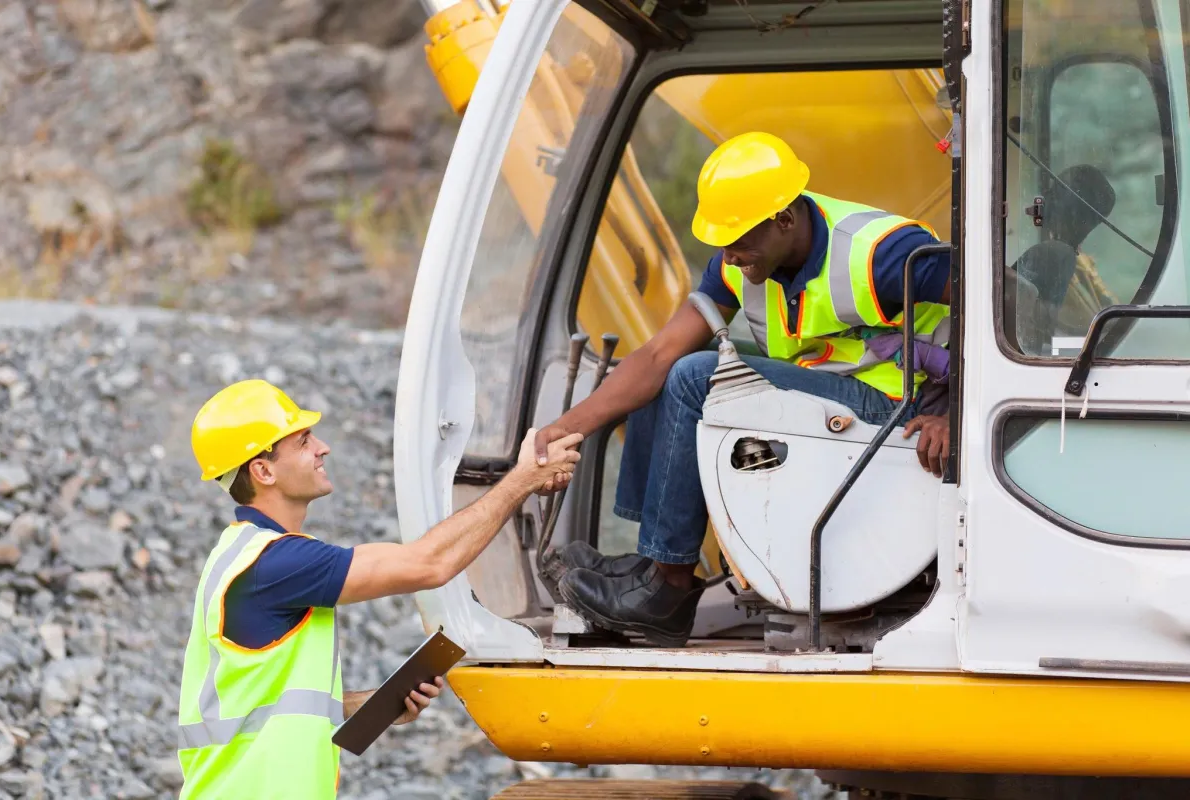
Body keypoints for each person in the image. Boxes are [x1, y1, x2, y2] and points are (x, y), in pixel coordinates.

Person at [534, 132, 952, 648]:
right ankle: (653, 561)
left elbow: (1007, 308)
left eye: (739, 240)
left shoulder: (881, 255)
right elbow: (657, 354)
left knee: (695, 376)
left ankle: (667, 589)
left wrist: (955, 415)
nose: (730, 257)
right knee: (672, 372)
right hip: (825, 398)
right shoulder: (749, 260)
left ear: (785, 219)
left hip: (895, 409)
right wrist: (562, 427)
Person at [177, 379, 582, 799]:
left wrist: (370, 705)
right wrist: (522, 481)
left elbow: (268, 708)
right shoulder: (275, 564)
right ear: (263, 470)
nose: (323, 447)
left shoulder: (247, 555)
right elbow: (430, 562)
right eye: (303, 441)